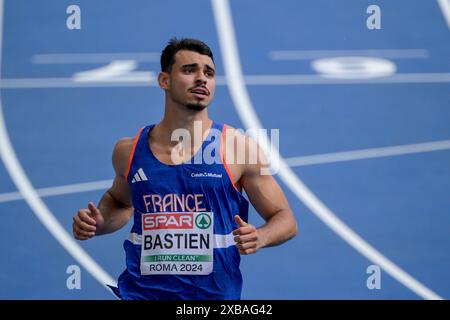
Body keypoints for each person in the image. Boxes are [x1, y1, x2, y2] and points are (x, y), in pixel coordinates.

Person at [72, 38, 298, 300]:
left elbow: (285, 219)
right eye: (189, 70)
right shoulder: (129, 150)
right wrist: (98, 222)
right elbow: (120, 203)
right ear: (164, 81)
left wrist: (260, 236)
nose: (202, 79)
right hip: (141, 294)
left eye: (209, 73)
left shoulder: (238, 148)